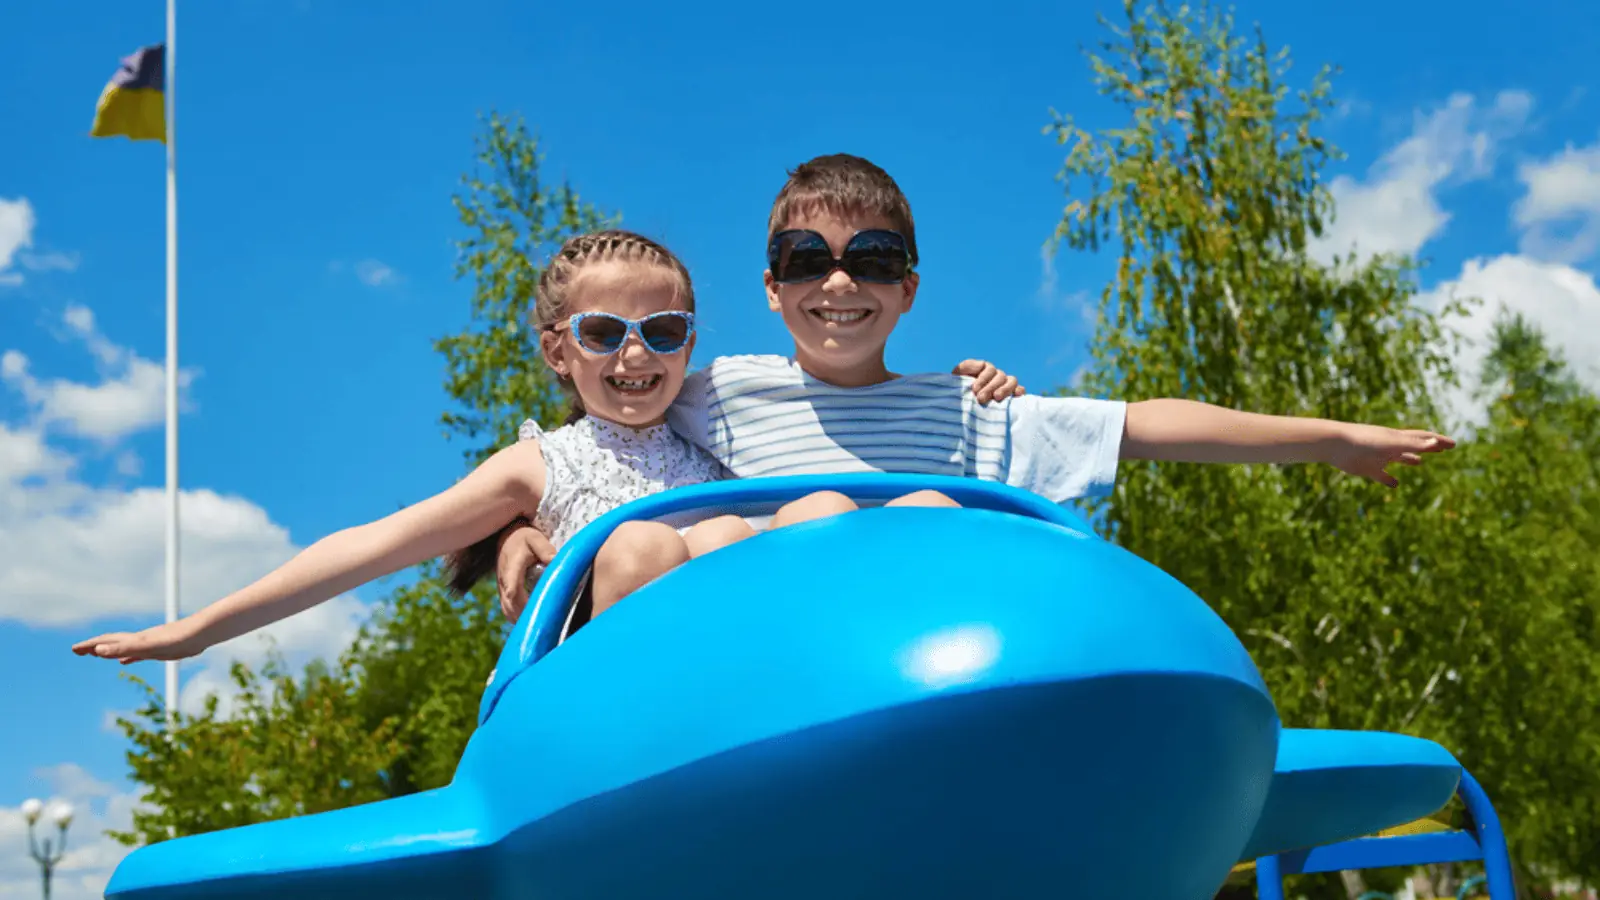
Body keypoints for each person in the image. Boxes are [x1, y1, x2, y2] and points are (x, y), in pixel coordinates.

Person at [490, 154, 1457, 606]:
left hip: (910, 655)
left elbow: (1147, 425)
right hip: (766, 658)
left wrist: (1331, 438)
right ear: (772, 289)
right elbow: (604, 433)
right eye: (806, 260)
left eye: (871, 261)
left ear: (908, 289)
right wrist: (523, 527)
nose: (838, 283)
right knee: (794, 519)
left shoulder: (968, 411)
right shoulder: (718, 390)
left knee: (937, 513)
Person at [70, 228, 1024, 662]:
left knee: (822, 510)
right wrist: (194, 632)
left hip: (745, 654)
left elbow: (845, 420)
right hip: (602, 690)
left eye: (665, 333)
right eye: (606, 334)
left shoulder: (715, 417)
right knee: (652, 543)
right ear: (559, 350)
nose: (637, 357)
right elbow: (369, 546)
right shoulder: (544, 462)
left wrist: (970, 390)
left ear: (694, 340)